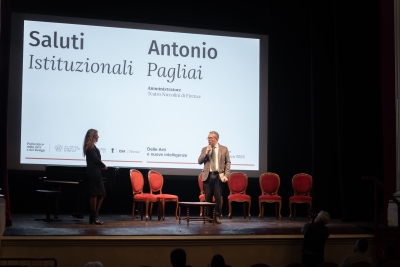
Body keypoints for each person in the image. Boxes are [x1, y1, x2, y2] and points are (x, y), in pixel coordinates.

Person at [198, 131, 231, 224]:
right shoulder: (205, 149)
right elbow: (199, 161)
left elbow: (228, 162)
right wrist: (206, 152)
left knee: (218, 197)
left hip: (219, 176)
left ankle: (217, 216)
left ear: (216, 139)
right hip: (208, 176)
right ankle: (208, 216)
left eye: (210, 138)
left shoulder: (224, 149)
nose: (209, 140)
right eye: (208, 138)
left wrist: (226, 175)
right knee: (208, 197)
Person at [83, 129, 107, 225]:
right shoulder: (90, 147)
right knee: (95, 193)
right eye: (97, 135)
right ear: (93, 136)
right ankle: (94, 217)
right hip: (94, 172)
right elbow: (96, 160)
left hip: (96, 172)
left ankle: (93, 217)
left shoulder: (92, 147)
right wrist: (104, 165)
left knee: (99, 193)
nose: (98, 137)